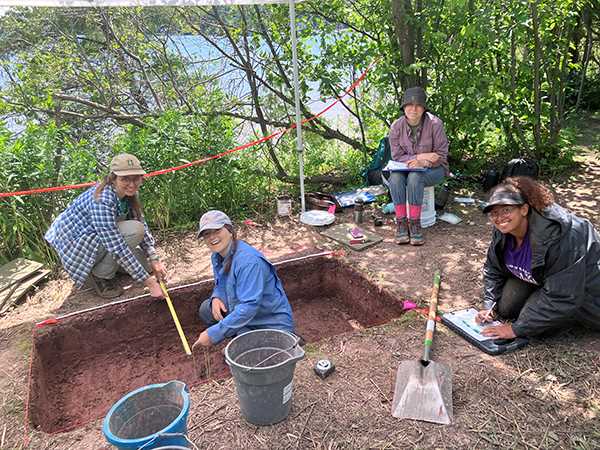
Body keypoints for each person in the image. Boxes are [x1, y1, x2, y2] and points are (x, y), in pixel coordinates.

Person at [477, 176, 600, 339]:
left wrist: (516, 329)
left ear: (524, 209)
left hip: (586, 290)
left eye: (506, 209)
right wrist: (489, 304)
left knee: (543, 320)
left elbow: (563, 296)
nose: (499, 218)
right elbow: (493, 268)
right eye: (494, 213)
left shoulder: (562, 235)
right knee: (505, 308)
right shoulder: (503, 230)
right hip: (545, 278)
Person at [45, 153, 166, 299]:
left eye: (136, 178)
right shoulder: (102, 200)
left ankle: (110, 267)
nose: (132, 184)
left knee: (145, 265)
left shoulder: (129, 194)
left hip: (98, 239)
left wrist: (154, 258)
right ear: (113, 179)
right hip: (75, 246)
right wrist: (149, 283)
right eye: (125, 179)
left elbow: (141, 222)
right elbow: (116, 245)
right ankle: (99, 276)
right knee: (135, 230)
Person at [192, 210, 295, 349]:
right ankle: (241, 337)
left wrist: (213, 334)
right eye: (207, 234)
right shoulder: (217, 256)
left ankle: (274, 341)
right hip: (247, 315)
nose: (212, 237)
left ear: (229, 230)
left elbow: (249, 307)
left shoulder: (248, 262)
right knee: (207, 309)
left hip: (269, 322)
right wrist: (216, 297)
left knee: (245, 358)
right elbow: (221, 283)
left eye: (216, 230)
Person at [388, 86, 449, 245]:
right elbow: (397, 156)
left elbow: (440, 156)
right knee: (394, 178)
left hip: (434, 169)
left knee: (415, 177)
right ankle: (401, 223)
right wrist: (420, 156)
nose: (413, 109)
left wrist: (424, 162)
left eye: (418, 105)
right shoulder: (396, 126)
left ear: (423, 108)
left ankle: (414, 224)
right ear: (403, 107)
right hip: (405, 167)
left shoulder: (435, 123)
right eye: (409, 105)